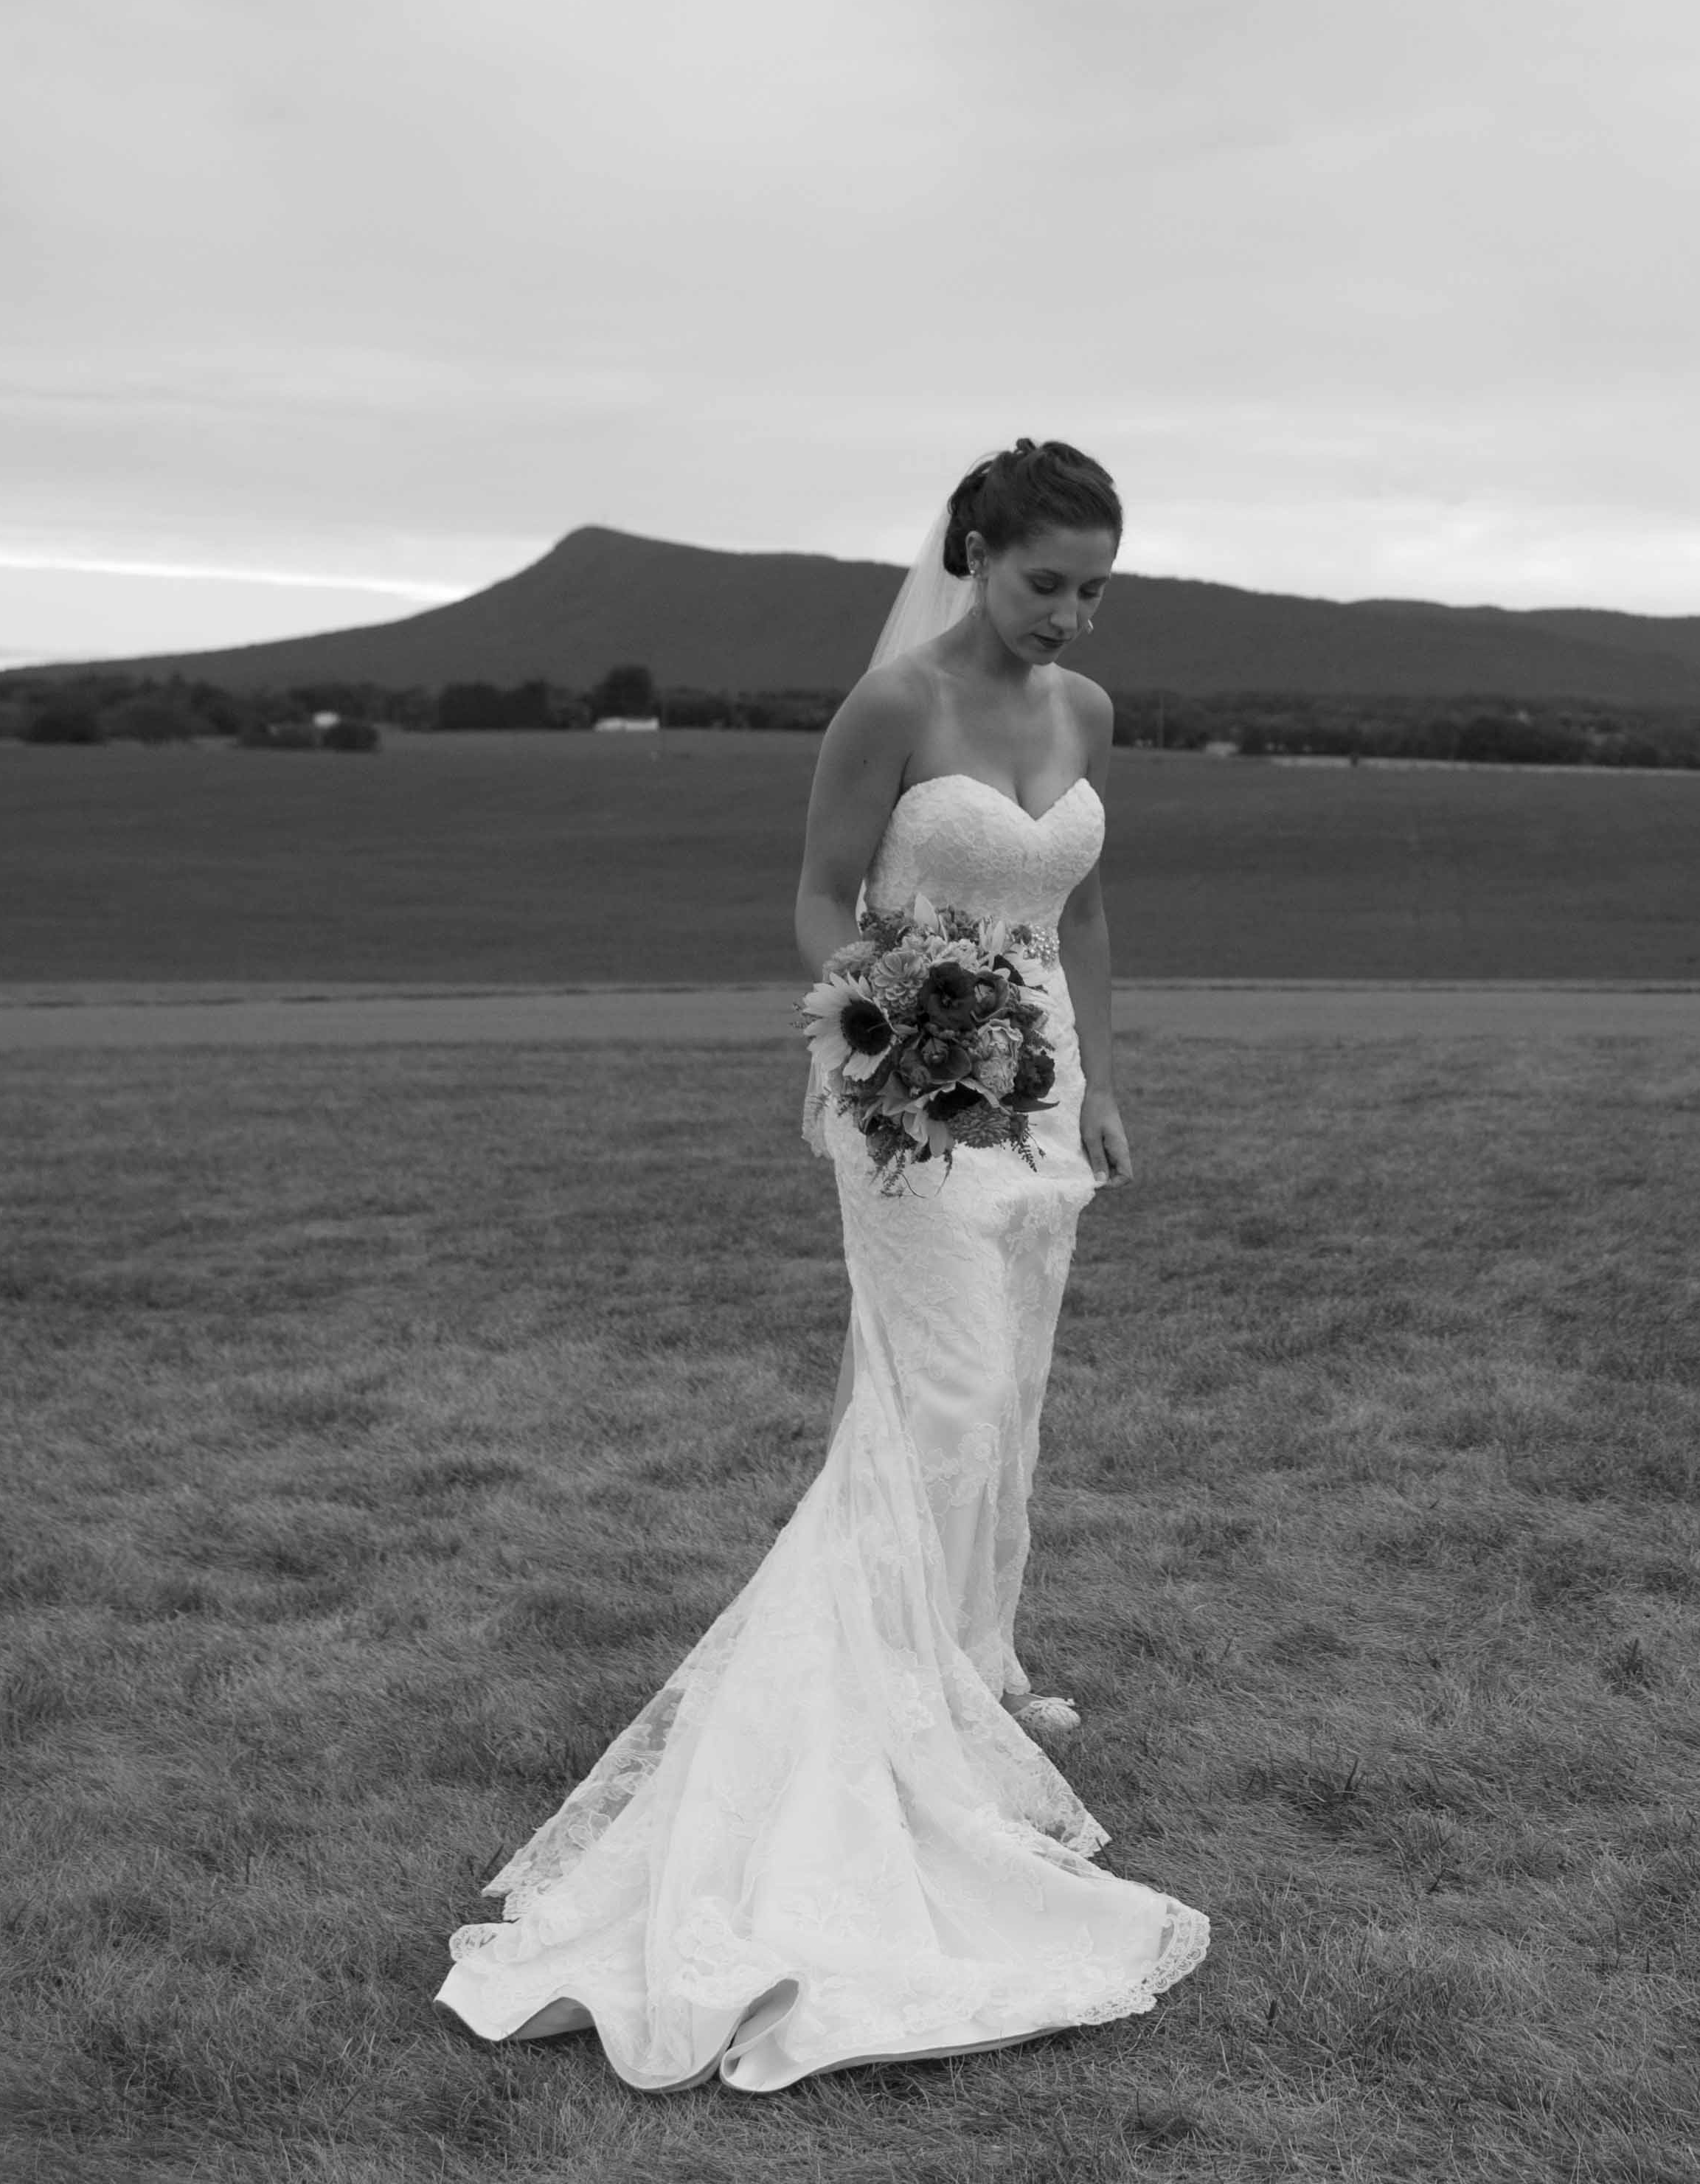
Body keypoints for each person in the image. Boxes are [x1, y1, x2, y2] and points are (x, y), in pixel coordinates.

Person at [438, 440, 1206, 2090]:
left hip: (1045, 1101)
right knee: (948, 1399)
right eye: (1047, 582)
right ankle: (891, 1710)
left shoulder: (1088, 714)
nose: (1071, 617)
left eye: (1096, 589)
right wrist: (902, 1023)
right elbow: (813, 897)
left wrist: (1104, 1079)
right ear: (976, 554)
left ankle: (970, 1669)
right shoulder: (894, 706)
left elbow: (1081, 915)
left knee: (1010, 1397)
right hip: (909, 1105)